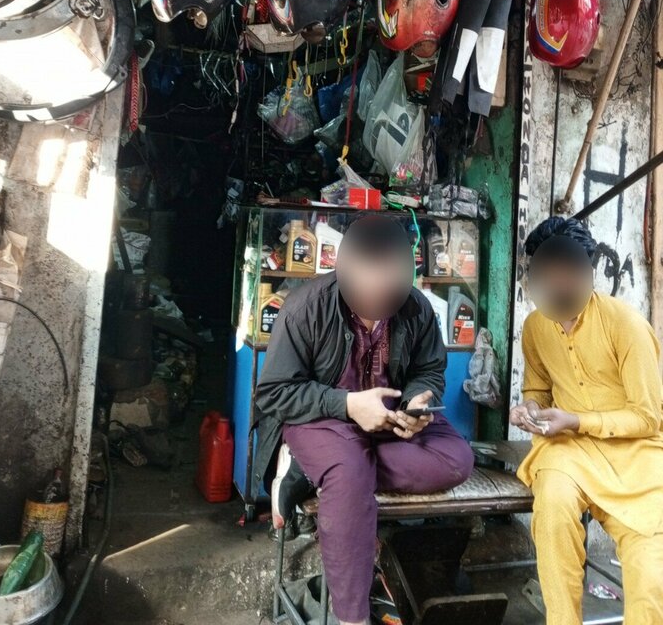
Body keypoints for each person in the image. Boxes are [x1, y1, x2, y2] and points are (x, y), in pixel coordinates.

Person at [254, 214, 474, 625]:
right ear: (346, 267)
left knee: (456, 460)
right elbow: (274, 392)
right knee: (350, 473)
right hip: (321, 417)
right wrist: (349, 406)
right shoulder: (304, 308)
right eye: (369, 276)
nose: (378, 288)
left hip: (386, 425)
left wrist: (417, 402)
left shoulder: (416, 308)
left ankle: (325, 471)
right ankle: (352, 618)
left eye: (388, 276)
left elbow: (429, 370)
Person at [510, 216, 663, 625]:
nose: (559, 285)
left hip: (637, 459)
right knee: (553, 505)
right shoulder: (534, 327)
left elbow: (648, 417)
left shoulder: (626, 325)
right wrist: (528, 410)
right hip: (570, 453)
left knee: (651, 577)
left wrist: (578, 419)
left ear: (587, 272)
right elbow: (538, 391)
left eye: (568, 273)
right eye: (549, 274)